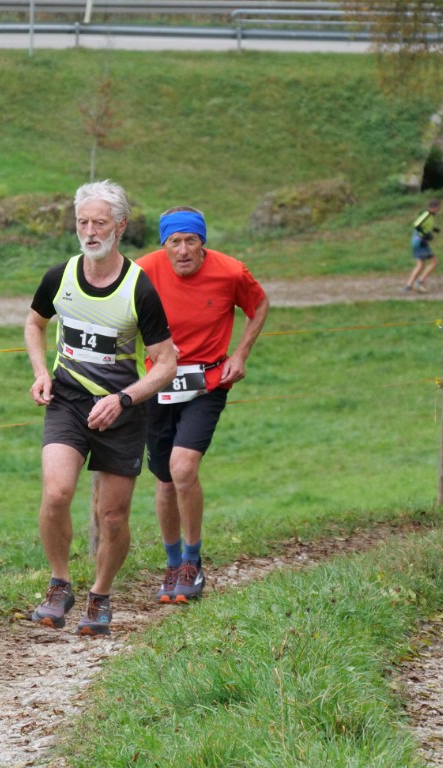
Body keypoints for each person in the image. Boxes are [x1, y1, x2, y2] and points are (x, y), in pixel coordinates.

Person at [24, 179, 177, 635]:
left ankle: (101, 595)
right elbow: (34, 324)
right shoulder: (60, 276)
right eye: (82, 222)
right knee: (56, 494)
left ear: (121, 226)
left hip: (122, 411)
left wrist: (124, 399)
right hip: (68, 401)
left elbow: (166, 363)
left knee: (112, 518)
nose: (89, 232)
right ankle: (60, 584)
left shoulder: (139, 289)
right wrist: (41, 372)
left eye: (100, 223)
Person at [136, 207, 269, 604]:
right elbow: (121, 315)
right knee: (164, 480)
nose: (182, 250)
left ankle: (192, 562)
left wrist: (240, 354)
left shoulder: (231, 272)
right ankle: (173, 564)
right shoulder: (142, 271)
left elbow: (259, 305)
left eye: (190, 241)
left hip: (206, 383)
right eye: (174, 242)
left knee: (183, 467)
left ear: (202, 243)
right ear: (164, 245)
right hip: (157, 384)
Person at [403, 199, 442, 293]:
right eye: (438, 208)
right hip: (420, 242)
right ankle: (419, 282)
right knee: (433, 262)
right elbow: (417, 225)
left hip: (418, 241)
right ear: (434, 208)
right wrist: (425, 235)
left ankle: (409, 285)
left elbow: (424, 225)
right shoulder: (427, 214)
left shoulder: (429, 215)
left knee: (420, 264)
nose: (439, 210)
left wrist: (433, 229)